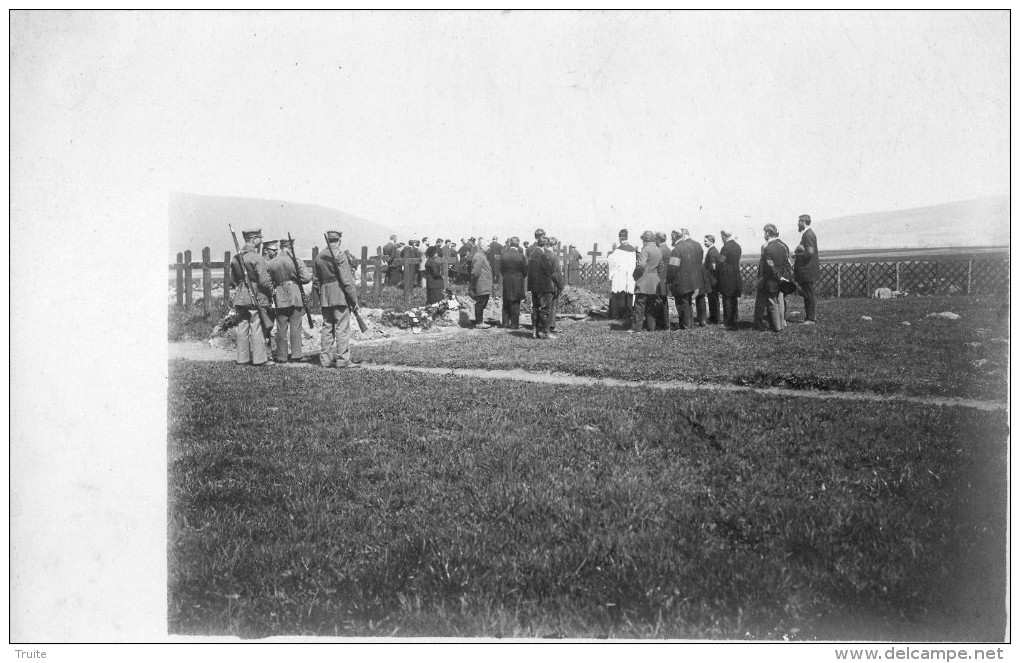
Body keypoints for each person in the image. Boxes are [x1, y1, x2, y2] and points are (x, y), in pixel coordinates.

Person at [313, 230, 360, 367]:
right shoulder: (340, 255)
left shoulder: (319, 257)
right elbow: (347, 281)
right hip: (340, 294)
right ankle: (342, 360)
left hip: (326, 295)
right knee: (342, 328)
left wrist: (322, 294)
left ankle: (325, 360)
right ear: (339, 240)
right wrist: (353, 299)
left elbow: (316, 281)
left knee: (327, 328)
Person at [230, 227, 275, 366]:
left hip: (241, 295)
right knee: (256, 326)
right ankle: (259, 359)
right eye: (260, 238)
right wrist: (271, 291)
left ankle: (242, 358)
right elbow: (264, 281)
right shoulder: (256, 257)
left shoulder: (236, 258)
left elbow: (233, 280)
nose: (261, 241)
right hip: (254, 295)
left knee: (242, 326)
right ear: (253, 239)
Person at [267, 237, 313, 363]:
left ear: (281, 246)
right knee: (295, 326)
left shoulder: (271, 263)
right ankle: (296, 355)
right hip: (295, 295)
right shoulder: (296, 261)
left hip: (280, 296)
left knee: (281, 327)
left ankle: (281, 356)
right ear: (291, 245)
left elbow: (269, 281)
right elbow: (306, 278)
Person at [753, 224, 793, 332]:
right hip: (781, 279)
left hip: (771, 279)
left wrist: (777, 277)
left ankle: (776, 327)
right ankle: (781, 323)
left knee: (772, 302)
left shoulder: (767, 248)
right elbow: (787, 264)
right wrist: (787, 277)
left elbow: (770, 265)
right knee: (780, 300)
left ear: (767, 233)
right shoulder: (782, 247)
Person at [527, 235, 562, 339]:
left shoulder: (532, 254)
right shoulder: (542, 256)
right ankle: (546, 333)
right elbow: (551, 272)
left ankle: (535, 331)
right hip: (545, 287)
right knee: (545, 310)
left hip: (534, 287)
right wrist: (559, 285)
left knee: (535, 309)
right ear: (546, 245)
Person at [667, 228, 703, 330]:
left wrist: (669, 280)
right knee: (688, 304)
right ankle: (689, 325)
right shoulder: (690, 247)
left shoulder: (676, 250)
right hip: (691, 281)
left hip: (681, 282)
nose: (671, 239)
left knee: (682, 305)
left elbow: (673, 268)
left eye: (671, 237)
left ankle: (685, 326)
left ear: (674, 237)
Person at [632, 231, 662, 332]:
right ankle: (651, 327)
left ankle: (637, 329)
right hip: (654, 282)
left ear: (644, 239)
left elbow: (641, 265)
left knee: (639, 305)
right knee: (651, 306)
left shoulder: (645, 250)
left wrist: (635, 275)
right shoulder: (658, 250)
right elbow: (661, 267)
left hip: (643, 281)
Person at [794, 214, 820, 324]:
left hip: (807, 271)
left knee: (809, 295)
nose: (797, 223)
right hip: (807, 270)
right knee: (807, 294)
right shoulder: (808, 234)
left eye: (799, 221)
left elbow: (809, 253)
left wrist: (796, 256)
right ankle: (809, 317)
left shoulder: (808, 235)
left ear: (804, 222)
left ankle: (811, 319)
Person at [607, 229, 637, 319]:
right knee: (629, 292)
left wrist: (611, 276)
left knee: (619, 291)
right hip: (630, 275)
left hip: (620, 276)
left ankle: (616, 314)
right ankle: (628, 313)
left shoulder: (618, 251)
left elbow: (612, 262)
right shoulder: (633, 250)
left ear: (620, 239)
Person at [499, 237, 527, 329]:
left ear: (510, 243)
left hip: (506, 280)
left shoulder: (504, 255)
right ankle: (514, 324)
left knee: (506, 301)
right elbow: (524, 270)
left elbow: (501, 269)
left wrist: (506, 276)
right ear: (518, 244)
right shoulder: (520, 255)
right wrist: (520, 277)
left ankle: (505, 323)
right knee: (515, 302)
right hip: (517, 281)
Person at [717, 230, 742, 327]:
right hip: (736, 273)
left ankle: (727, 322)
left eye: (721, 236)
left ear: (724, 236)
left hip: (727, 274)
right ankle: (734, 320)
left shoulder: (725, 247)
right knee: (734, 298)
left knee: (727, 298)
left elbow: (720, 262)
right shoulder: (737, 246)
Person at [696, 234, 721, 325]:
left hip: (712, 279)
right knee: (713, 299)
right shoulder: (714, 250)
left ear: (711, 241)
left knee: (713, 299)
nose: (704, 242)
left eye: (706, 241)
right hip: (713, 279)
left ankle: (715, 318)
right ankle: (715, 317)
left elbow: (714, 266)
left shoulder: (711, 252)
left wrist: (707, 272)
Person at [468, 242, 493, 328]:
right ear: (482, 246)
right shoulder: (479, 256)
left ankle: (479, 321)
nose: (490, 247)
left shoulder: (482, 255)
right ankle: (479, 323)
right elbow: (475, 272)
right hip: (481, 283)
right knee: (480, 302)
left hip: (484, 283)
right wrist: (473, 285)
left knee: (483, 301)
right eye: (488, 245)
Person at [655, 232, 672, 331]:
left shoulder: (659, 251)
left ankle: (661, 324)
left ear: (657, 240)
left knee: (658, 302)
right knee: (664, 303)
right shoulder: (668, 250)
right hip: (665, 280)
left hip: (658, 280)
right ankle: (666, 325)